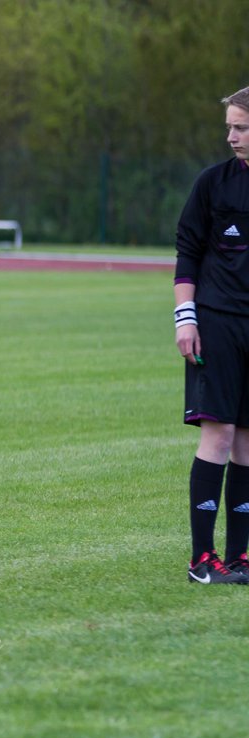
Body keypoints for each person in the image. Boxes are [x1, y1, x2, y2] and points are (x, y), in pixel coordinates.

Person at [175, 84, 249, 585]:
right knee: (219, 435)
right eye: (230, 126)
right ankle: (203, 559)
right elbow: (186, 247)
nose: (231, 136)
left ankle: (241, 558)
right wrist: (186, 316)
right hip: (217, 323)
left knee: (248, 442)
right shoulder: (212, 184)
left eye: (240, 127)